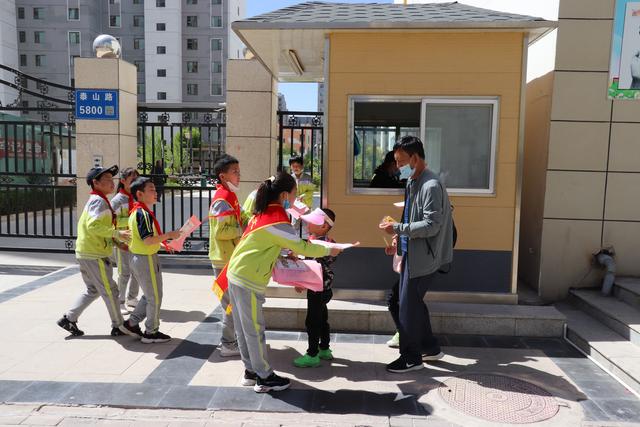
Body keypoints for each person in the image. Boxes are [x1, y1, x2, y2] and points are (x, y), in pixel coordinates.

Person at [216, 173, 341, 393]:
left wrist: (283, 254)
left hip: (237, 274)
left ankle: (251, 372)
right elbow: (304, 247)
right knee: (254, 329)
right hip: (247, 278)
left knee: (245, 329)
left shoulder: (264, 212)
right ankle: (264, 377)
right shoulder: (277, 217)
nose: (296, 200)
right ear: (284, 194)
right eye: (294, 195)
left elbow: (265, 243)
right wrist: (330, 248)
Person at [380, 136, 453, 373]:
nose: (398, 167)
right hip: (414, 254)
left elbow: (432, 225)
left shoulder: (431, 185)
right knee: (405, 302)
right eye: (396, 162)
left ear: (415, 158)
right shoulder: (414, 181)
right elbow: (411, 218)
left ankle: (411, 357)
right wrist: (397, 240)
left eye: (401, 162)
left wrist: (399, 230)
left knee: (406, 306)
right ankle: (430, 347)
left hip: (425, 259)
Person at [57, 165, 137, 338]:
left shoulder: (99, 200)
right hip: (94, 254)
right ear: (95, 183)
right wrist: (117, 234)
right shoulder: (98, 201)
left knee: (93, 290)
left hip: (87, 252)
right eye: (107, 179)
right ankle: (119, 325)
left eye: (112, 178)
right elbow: (93, 226)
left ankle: (69, 319)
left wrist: (116, 242)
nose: (111, 182)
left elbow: (99, 227)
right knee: (111, 290)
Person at [121, 177, 181, 343]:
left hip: (140, 258)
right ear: (140, 194)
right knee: (154, 296)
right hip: (145, 259)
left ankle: (132, 323)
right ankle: (151, 332)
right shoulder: (143, 214)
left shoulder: (138, 212)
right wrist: (169, 235)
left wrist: (164, 243)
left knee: (149, 295)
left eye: (155, 189)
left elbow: (145, 240)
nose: (156, 193)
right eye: (151, 190)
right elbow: (147, 240)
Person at [208, 154, 248, 357]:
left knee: (232, 303)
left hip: (228, 257)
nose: (239, 175)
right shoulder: (222, 200)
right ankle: (227, 343)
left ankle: (231, 341)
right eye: (235, 172)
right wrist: (242, 231)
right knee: (230, 305)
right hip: (223, 259)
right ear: (223, 176)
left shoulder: (229, 196)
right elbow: (220, 233)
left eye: (239, 171)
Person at [293, 208, 338, 368]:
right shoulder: (317, 241)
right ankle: (324, 348)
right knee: (322, 318)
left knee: (312, 321)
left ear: (324, 226)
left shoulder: (322, 244)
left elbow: (309, 266)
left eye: (312, 221)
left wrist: (301, 282)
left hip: (317, 289)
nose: (308, 223)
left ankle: (312, 354)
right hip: (323, 288)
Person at [111, 167, 140, 315]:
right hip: (121, 243)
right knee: (124, 273)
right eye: (132, 180)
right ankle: (120, 301)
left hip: (136, 242)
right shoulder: (117, 201)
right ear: (123, 181)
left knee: (137, 272)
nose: (135, 183)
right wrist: (118, 242)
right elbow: (111, 222)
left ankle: (132, 297)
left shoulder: (136, 198)